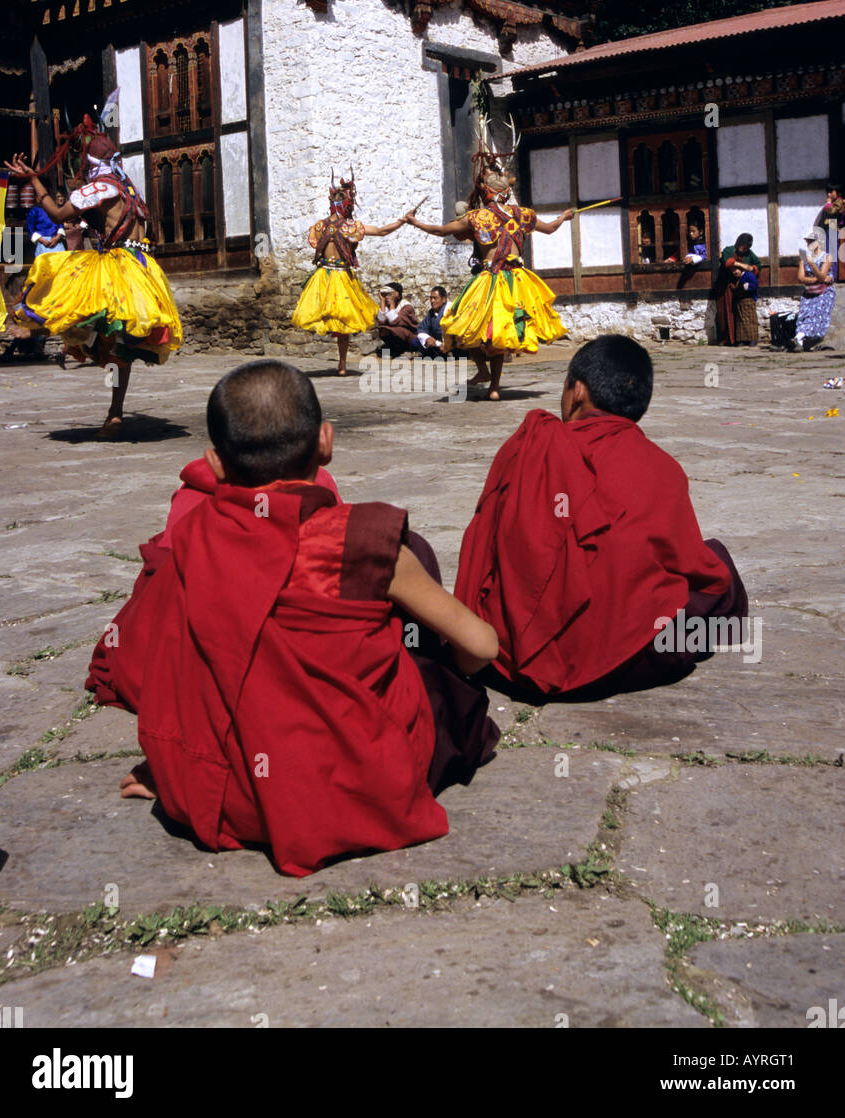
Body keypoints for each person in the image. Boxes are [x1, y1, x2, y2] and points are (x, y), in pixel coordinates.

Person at [86, 361, 499, 877]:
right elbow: (482, 646)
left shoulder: (194, 542)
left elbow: (168, 669)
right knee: (420, 595)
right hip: (364, 787)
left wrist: (176, 768)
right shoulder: (360, 539)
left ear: (214, 465)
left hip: (232, 795)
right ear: (325, 442)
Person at [454, 335, 748, 698]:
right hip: (637, 661)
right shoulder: (663, 468)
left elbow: (484, 552)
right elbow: (687, 563)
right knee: (716, 566)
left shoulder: (530, 448)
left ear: (576, 391)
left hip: (509, 659)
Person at [5, 114, 182, 436]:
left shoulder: (101, 187)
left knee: (65, 289)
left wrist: (33, 179)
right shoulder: (131, 192)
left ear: (89, 163)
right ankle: (114, 413)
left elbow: (59, 214)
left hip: (117, 266)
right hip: (142, 267)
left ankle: (40, 330)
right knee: (118, 345)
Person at [405, 122, 573, 399]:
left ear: (485, 192)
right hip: (517, 280)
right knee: (498, 335)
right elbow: (551, 228)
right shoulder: (523, 215)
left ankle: (486, 375)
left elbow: (439, 230)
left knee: (464, 325)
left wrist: (414, 222)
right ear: (505, 191)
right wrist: (563, 217)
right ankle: (492, 385)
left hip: (490, 280)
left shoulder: (476, 217)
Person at [291, 170, 405, 376]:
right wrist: (402, 221)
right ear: (346, 204)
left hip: (323, 275)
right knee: (343, 322)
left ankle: (341, 363)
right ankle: (342, 365)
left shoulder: (320, 226)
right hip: (341, 276)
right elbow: (380, 231)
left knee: (324, 314)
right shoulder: (349, 227)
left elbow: (314, 243)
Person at [788, 227, 835, 352]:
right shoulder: (804, 259)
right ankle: (799, 338)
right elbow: (801, 278)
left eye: (812, 241)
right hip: (810, 292)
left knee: (817, 316)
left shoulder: (827, 257)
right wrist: (816, 279)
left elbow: (822, 275)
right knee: (805, 315)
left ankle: (801, 339)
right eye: (808, 241)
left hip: (824, 293)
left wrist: (813, 265)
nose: (809, 244)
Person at [714, 233, 761, 346]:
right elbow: (727, 262)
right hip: (726, 285)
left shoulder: (750, 254)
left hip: (741, 288)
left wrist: (751, 268)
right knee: (726, 311)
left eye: (746, 248)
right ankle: (726, 339)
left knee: (741, 314)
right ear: (738, 243)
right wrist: (742, 265)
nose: (743, 249)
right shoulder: (729, 250)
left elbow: (757, 266)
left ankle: (741, 339)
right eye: (742, 246)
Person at [376, 281, 419, 356]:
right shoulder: (387, 306)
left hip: (410, 338)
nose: (387, 297)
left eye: (390, 294)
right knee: (383, 329)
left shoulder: (406, 307)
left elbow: (395, 321)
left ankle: (403, 350)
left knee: (396, 330)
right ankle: (393, 349)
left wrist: (392, 301)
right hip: (396, 337)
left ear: (398, 296)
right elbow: (381, 321)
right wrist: (382, 301)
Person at [415, 285, 450, 357]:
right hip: (438, 344)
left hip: (451, 344)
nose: (432, 301)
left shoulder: (450, 310)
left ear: (444, 299)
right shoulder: (431, 313)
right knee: (417, 341)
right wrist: (427, 338)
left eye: (435, 298)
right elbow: (421, 328)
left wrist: (448, 343)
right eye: (431, 298)